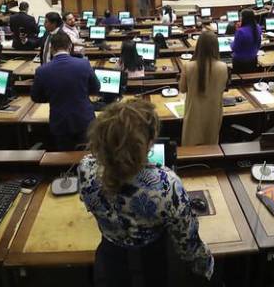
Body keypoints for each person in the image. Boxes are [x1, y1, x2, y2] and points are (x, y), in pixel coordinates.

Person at [78, 100, 214, 285]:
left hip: (108, 262)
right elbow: (187, 245)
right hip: (150, 264)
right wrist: (207, 267)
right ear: (148, 144)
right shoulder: (167, 183)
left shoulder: (86, 168)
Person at [31, 32, 100, 150]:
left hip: (60, 121)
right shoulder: (83, 64)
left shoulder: (42, 70)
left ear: (52, 48)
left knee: (64, 155)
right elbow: (96, 88)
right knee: (87, 156)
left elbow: (36, 97)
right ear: (70, 46)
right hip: (84, 119)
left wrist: (52, 96)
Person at [180, 31, 228, 146]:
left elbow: (182, 89)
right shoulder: (223, 67)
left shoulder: (188, 66)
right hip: (213, 114)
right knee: (210, 149)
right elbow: (222, 88)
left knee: (190, 151)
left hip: (194, 115)